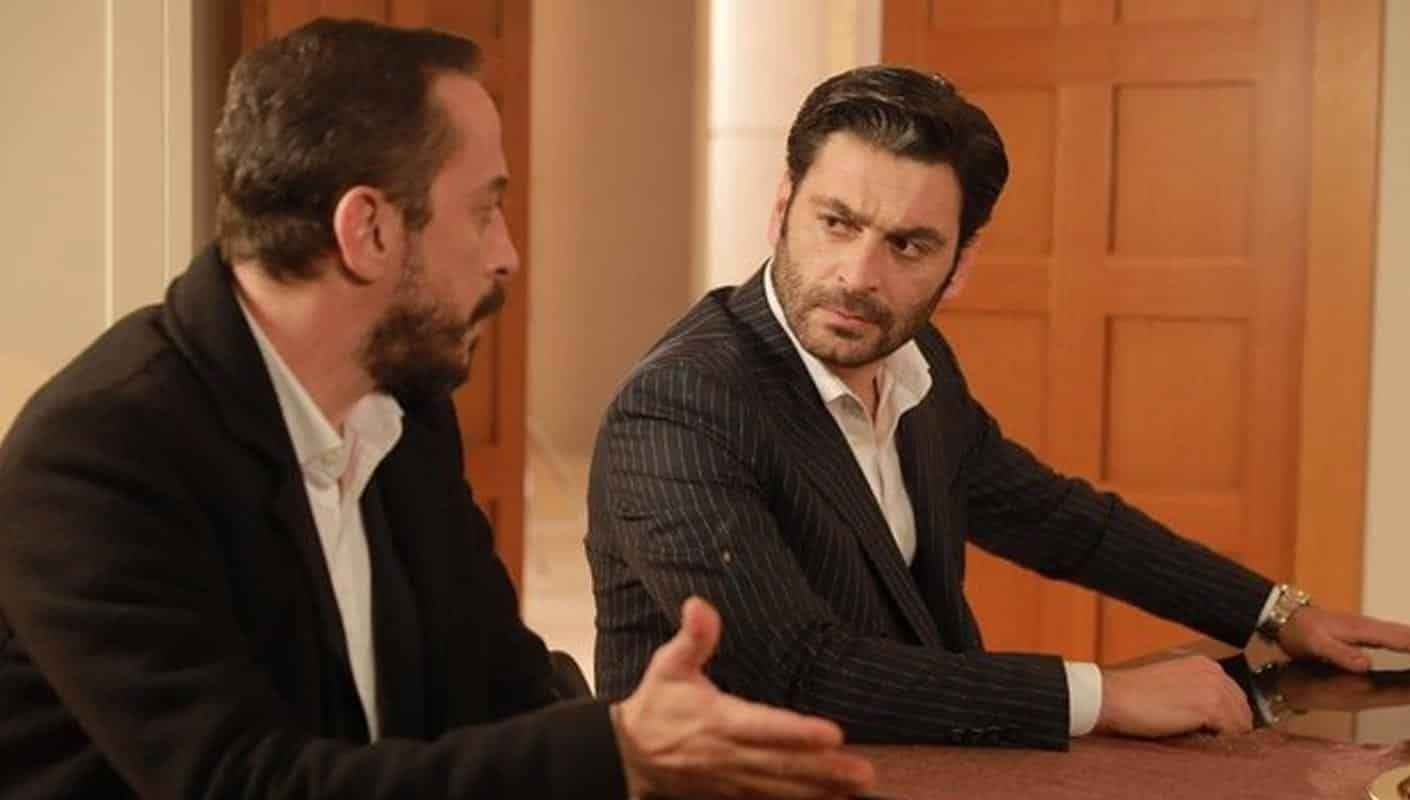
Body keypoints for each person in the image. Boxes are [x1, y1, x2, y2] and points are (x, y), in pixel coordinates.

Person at [0, 19, 875, 799]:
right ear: (369, 231)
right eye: (485, 209)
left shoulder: (402, 407)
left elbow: (496, 684)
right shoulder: (95, 457)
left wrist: (657, 745)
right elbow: (246, 782)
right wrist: (613, 752)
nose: (507, 254)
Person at [586, 65, 1410, 749]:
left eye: (909, 245)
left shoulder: (916, 363)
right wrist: (1101, 695)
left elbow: (1058, 520)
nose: (859, 276)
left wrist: (1276, 613)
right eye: (836, 223)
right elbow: (798, 672)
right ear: (782, 207)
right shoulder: (681, 405)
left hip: (923, 769)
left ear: (961, 263)